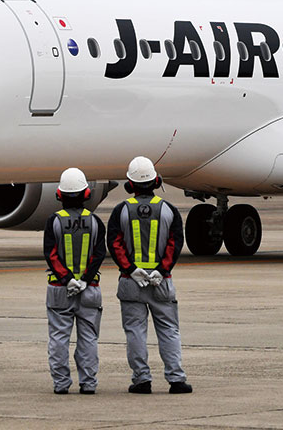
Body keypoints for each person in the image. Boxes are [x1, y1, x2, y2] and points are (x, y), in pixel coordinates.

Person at [107, 156, 193, 394]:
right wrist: (161, 270)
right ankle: (176, 380)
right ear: (156, 181)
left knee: (135, 332)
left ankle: (141, 379)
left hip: (130, 282)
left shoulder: (121, 210)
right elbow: (175, 244)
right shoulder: (168, 210)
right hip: (160, 282)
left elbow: (114, 244)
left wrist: (131, 270)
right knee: (168, 330)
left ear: (130, 184)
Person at [43, 167, 106, 395]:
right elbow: (99, 255)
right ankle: (88, 383)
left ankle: (61, 384)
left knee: (59, 338)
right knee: (88, 339)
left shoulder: (54, 221)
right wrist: (85, 280)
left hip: (60, 289)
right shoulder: (96, 222)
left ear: (59, 195)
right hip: (90, 289)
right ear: (87, 195)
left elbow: (51, 254)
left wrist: (68, 279)